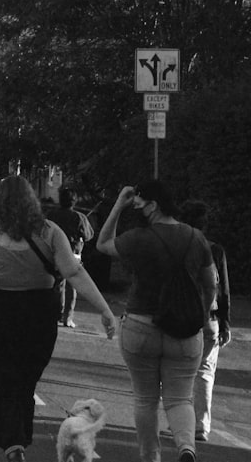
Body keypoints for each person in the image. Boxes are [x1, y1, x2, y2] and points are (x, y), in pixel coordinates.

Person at [0, 175, 116, 462]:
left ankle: (12, 443)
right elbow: (74, 273)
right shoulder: (50, 232)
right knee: (25, 382)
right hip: (39, 316)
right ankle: (19, 438)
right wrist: (105, 309)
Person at [96, 182, 216, 462]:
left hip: (140, 325)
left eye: (140, 200)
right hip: (184, 331)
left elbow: (102, 244)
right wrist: (202, 310)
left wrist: (118, 204)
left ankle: (151, 457)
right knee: (180, 398)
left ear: (154, 205)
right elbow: (211, 283)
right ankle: (187, 447)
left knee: (146, 399)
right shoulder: (195, 237)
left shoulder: (138, 238)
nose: (136, 204)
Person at [178, 199, 231, 442]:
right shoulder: (215, 250)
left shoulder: (178, 247)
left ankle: (181, 423)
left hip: (181, 316)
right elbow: (224, 290)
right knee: (205, 373)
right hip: (209, 317)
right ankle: (201, 425)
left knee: (179, 372)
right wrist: (225, 322)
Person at [46, 187, 94, 328]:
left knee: (57, 286)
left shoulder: (52, 215)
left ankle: (56, 314)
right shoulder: (79, 217)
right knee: (72, 287)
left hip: (54, 254)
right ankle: (67, 318)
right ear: (74, 201)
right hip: (73, 255)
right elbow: (89, 235)